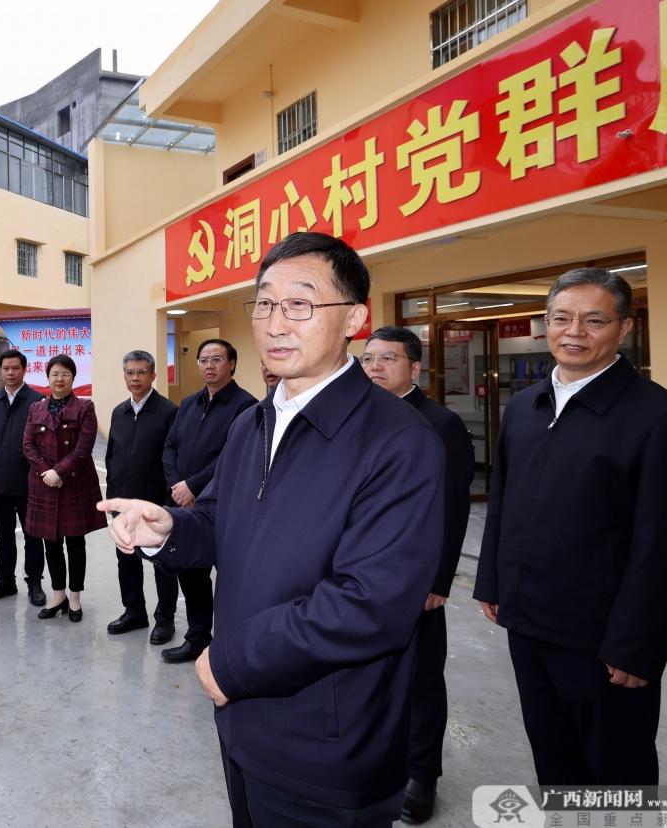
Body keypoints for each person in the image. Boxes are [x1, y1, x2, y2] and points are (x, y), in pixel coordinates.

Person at [101, 232, 445, 827]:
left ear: (355, 319)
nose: (275, 322)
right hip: (242, 721)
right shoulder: (253, 422)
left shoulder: (398, 441)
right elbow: (217, 520)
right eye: (263, 303)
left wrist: (230, 663)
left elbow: (370, 604)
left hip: (328, 740)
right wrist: (167, 530)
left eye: (300, 304)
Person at [474, 267, 667, 785]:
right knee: (553, 757)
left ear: (624, 329)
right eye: (561, 318)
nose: (574, 332)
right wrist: (492, 582)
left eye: (594, 320)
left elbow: (663, 550)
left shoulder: (660, 421)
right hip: (527, 622)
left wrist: (637, 645)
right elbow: (503, 502)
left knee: (615, 770)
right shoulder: (524, 408)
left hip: (602, 640)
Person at [362, 326, 474, 825]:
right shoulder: (359, 417)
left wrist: (437, 581)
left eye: (388, 359)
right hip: (362, 572)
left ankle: (422, 774)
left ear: (415, 368)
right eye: (367, 359)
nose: (375, 368)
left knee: (422, 679)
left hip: (416, 576)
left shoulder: (441, 423)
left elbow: (451, 510)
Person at [160, 338, 257, 663]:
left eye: (217, 359)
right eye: (204, 360)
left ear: (231, 364)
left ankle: (232, 644)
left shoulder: (246, 406)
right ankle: (198, 639)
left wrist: (194, 485)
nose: (209, 366)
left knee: (232, 577)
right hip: (185, 504)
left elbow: (233, 455)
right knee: (191, 573)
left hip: (224, 505)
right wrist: (177, 485)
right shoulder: (188, 403)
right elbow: (170, 446)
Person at [22, 354, 106, 623]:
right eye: (55, 374)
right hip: (44, 483)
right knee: (51, 543)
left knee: (75, 542)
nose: (60, 379)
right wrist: (45, 472)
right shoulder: (36, 408)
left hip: (73, 482)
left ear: (73, 378)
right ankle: (57, 595)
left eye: (65, 374)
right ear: (48, 377)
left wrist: (59, 471)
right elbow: (27, 445)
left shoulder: (85, 408)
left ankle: (75, 597)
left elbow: (84, 448)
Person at [104, 350, 179, 645]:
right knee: (127, 561)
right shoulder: (118, 412)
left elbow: (172, 459)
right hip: (123, 503)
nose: (135, 378)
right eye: (130, 373)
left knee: (162, 564)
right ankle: (134, 611)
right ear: (124, 376)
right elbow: (111, 456)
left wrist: (167, 502)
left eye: (141, 372)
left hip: (155, 504)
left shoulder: (168, 412)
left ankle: (165, 619)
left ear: (153, 375)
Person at [0, 348, 47, 606]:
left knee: (32, 535)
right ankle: (5, 580)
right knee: (3, 535)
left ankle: (35, 582)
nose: (10, 373)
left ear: (24, 369)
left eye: (15, 368)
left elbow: (44, 444)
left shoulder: (38, 401)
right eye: (5, 368)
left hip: (29, 482)